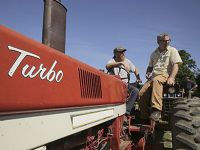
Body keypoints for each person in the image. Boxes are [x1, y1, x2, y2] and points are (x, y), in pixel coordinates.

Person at [138, 33, 182, 122]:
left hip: (165, 75)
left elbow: (176, 65)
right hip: (154, 76)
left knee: (156, 80)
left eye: (168, 40)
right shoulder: (153, 53)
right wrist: (148, 72)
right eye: (164, 40)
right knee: (141, 93)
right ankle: (144, 117)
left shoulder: (172, 50)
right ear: (158, 41)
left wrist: (172, 77)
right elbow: (150, 67)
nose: (167, 42)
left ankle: (157, 110)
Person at [106, 47, 142, 115]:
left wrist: (138, 78)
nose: (123, 53)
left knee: (135, 91)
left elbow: (135, 69)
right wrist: (119, 64)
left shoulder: (128, 61)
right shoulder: (112, 61)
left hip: (124, 84)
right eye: (120, 52)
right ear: (115, 54)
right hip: (113, 84)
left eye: (123, 52)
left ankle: (126, 111)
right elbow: (107, 66)